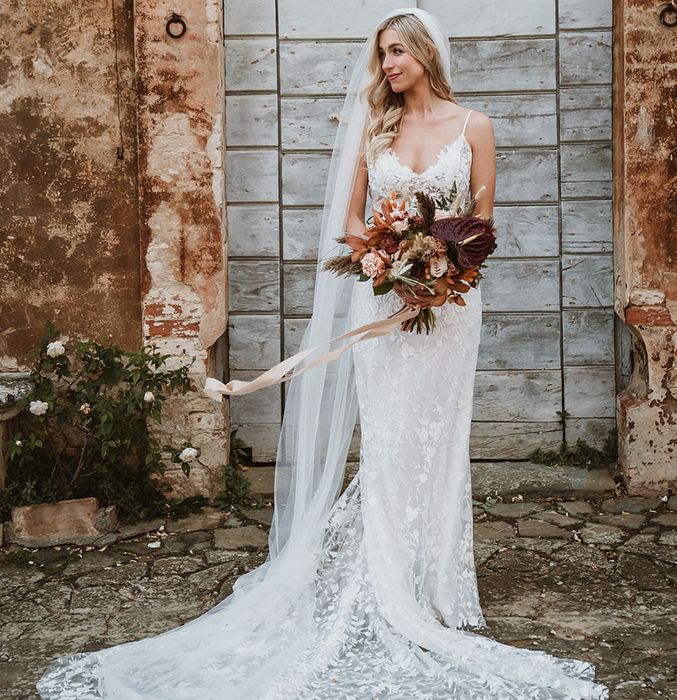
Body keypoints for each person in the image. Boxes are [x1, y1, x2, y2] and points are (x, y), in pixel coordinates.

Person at [37, 8, 609, 698]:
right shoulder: (378, 128)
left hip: (451, 309)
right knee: (392, 435)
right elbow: (350, 219)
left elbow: (481, 224)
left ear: (425, 53)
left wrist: (444, 276)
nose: (387, 65)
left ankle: (431, 586)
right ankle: (385, 579)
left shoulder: (474, 126)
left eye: (397, 52)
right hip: (385, 301)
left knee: (439, 437)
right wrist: (388, 263)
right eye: (383, 55)